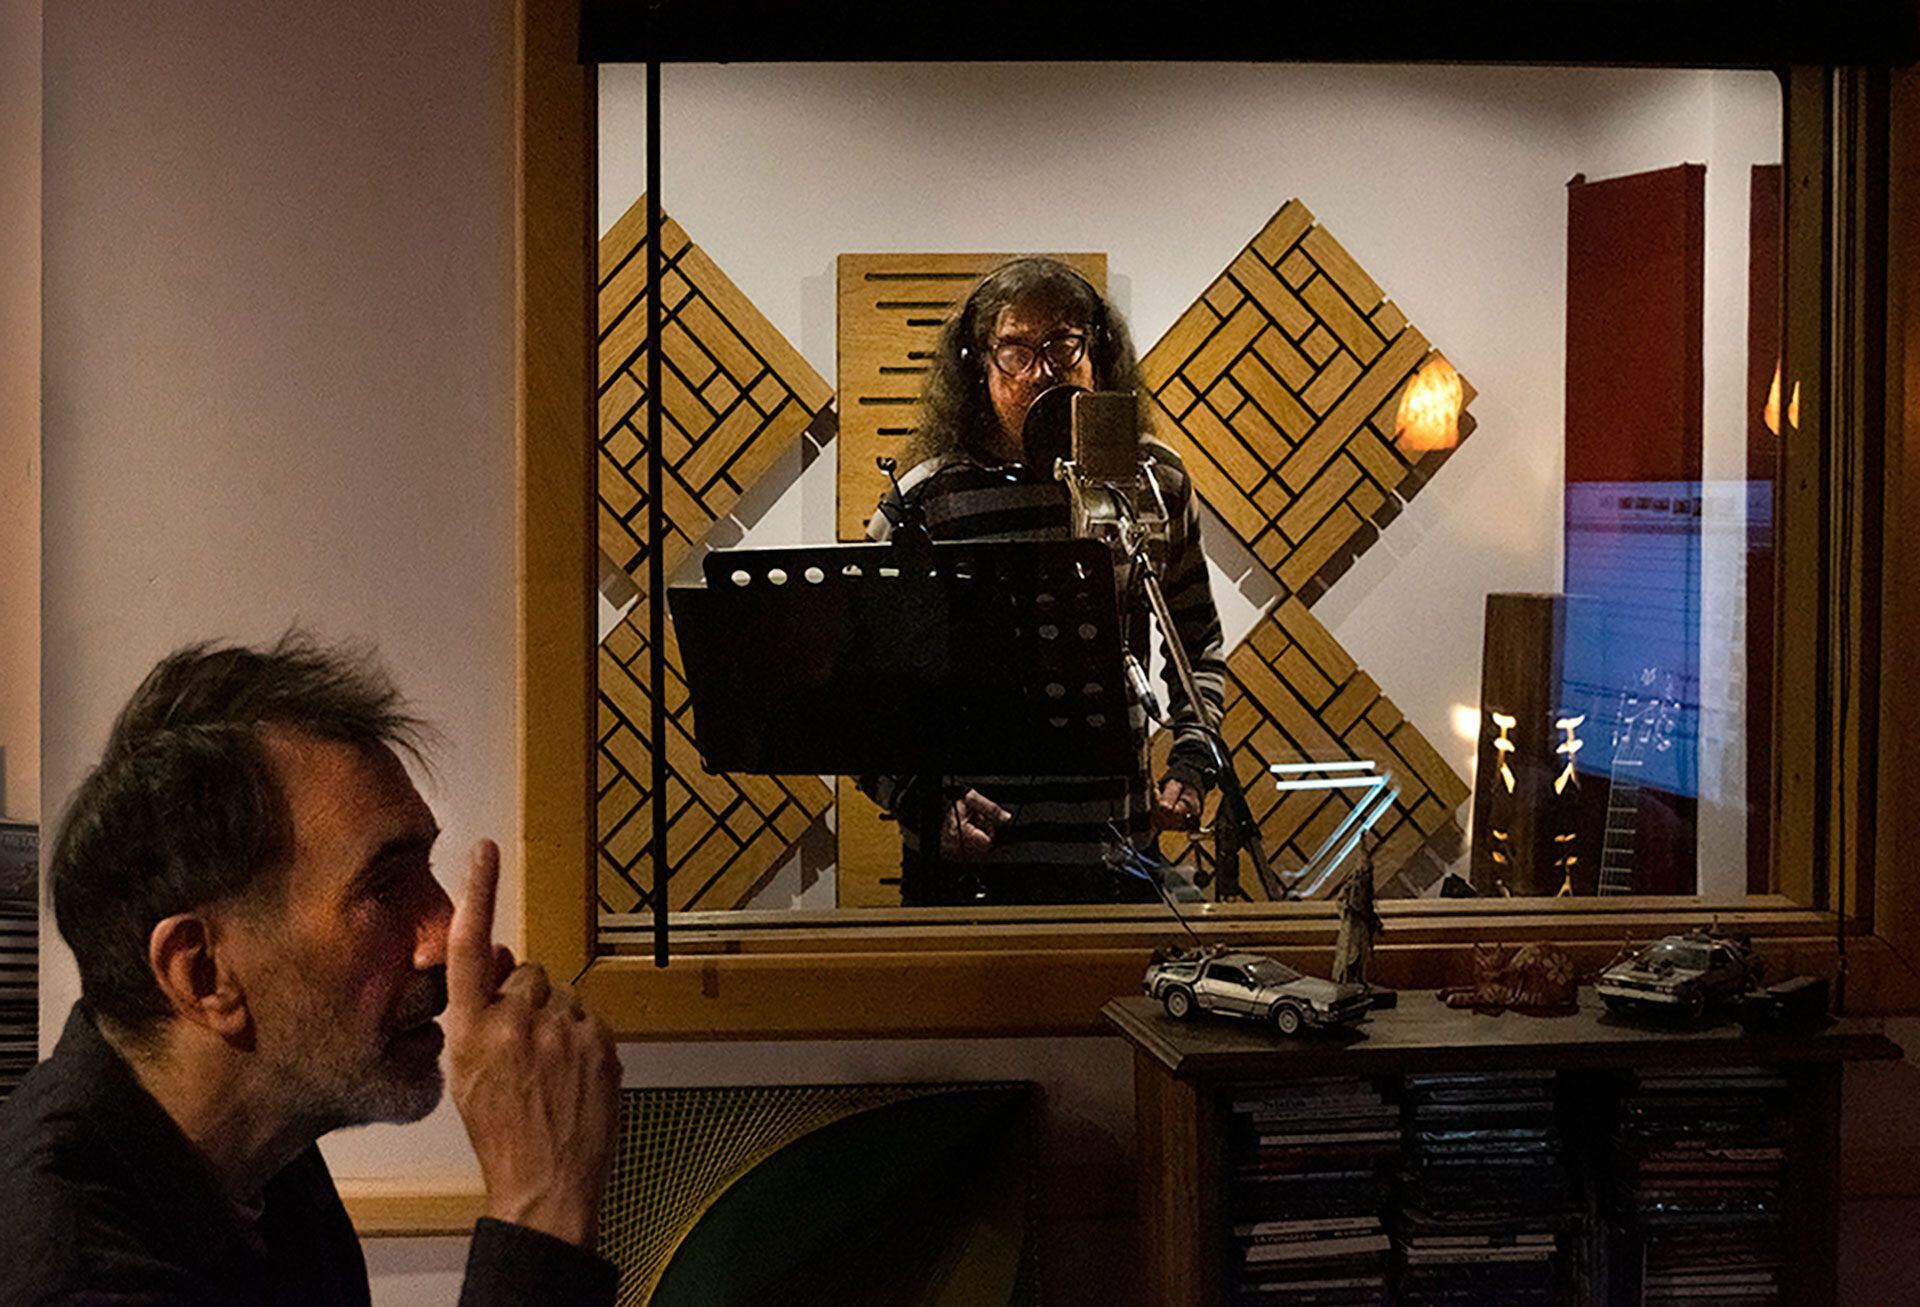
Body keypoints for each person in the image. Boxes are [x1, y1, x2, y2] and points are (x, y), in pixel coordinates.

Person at [0, 635, 622, 1305]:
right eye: (384, 887)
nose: (442, 940)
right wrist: (541, 1209)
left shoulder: (266, 1158)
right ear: (204, 974)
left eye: (426, 872)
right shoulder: (67, 1270)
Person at [863, 256, 1228, 905]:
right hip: (968, 870)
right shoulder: (923, 501)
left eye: (1063, 345)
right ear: (978, 365)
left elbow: (1195, 644)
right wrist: (918, 801)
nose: (1041, 372)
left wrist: (1194, 762)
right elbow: (858, 689)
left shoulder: (1156, 481)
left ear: (1099, 354)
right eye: (1016, 351)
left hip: (1115, 856)